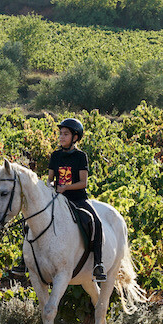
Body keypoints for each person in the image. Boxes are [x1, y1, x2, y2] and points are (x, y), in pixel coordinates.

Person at [49, 117, 106, 282]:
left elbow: (83, 183)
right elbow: (51, 179)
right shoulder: (55, 155)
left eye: (65, 134)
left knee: (96, 221)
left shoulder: (81, 156)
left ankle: (98, 263)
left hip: (78, 198)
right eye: (60, 134)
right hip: (59, 198)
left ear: (75, 137)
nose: (61, 137)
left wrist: (65, 187)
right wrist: (50, 186)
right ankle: (25, 260)